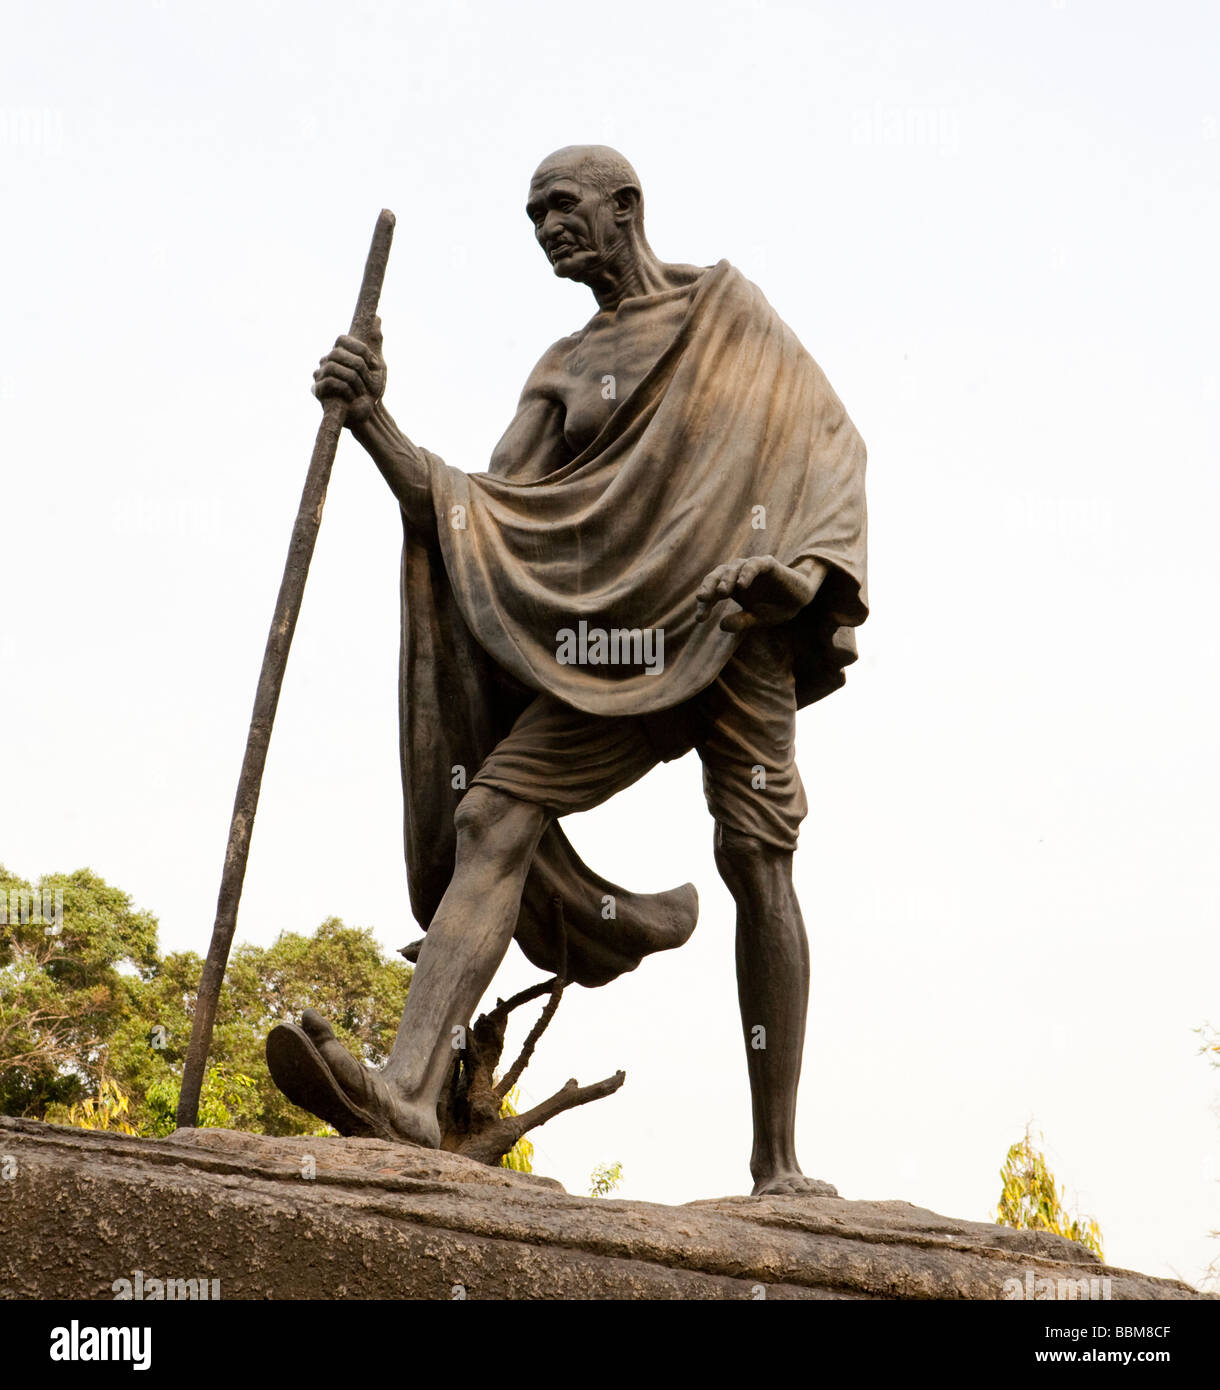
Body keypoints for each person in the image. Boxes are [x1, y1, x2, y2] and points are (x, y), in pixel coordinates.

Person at [267, 146, 868, 1195]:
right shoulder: (560, 369)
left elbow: (830, 449)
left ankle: (776, 1163)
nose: (543, 226)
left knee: (756, 860)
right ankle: (407, 1089)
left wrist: (798, 574)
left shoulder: (732, 316)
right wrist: (372, 423)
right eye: (531, 214)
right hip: (614, 649)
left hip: (736, 626)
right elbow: (474, 512)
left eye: (559, 206)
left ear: (624, 207)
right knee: (489, 817)